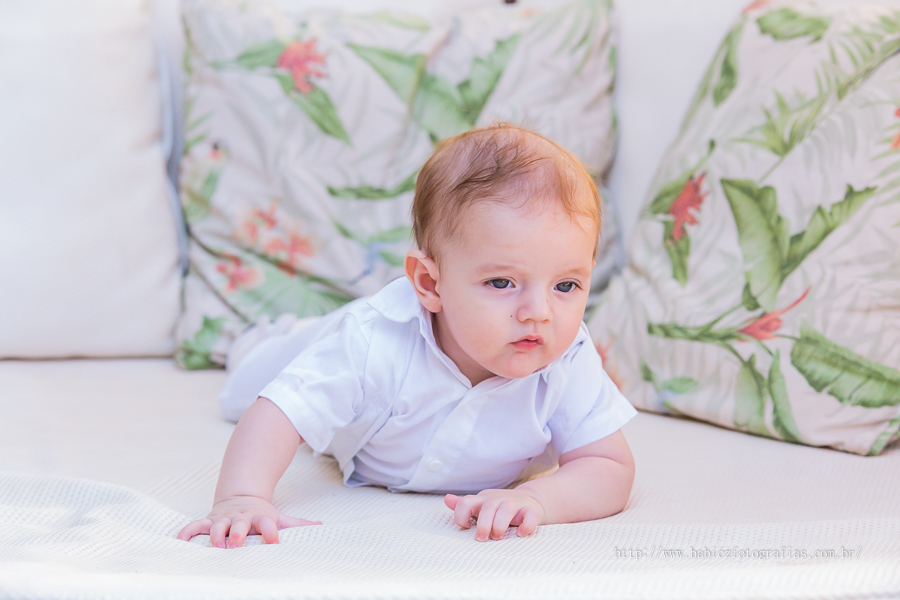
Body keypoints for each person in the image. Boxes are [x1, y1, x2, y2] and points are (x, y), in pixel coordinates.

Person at [177, 124, 637, 548]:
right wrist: (243, 497)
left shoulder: (568, 357)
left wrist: (539, 499)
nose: (539, 312)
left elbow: (608, 466)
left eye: (566, 286)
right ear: (430, 284)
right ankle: (263, 337)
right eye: (502, 283)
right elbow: (278, 413)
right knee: (245, 388)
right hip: (326, 349)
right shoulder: (371, 341)